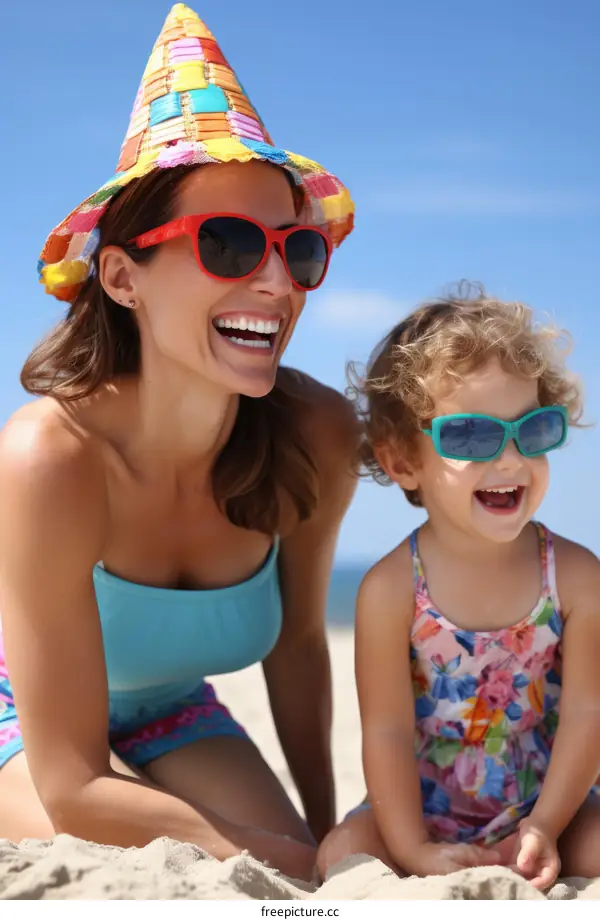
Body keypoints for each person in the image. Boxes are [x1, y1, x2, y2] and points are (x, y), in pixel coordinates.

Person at [0, 4, 357, 882]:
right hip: (21, 713)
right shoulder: (53, 456)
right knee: (220, 877)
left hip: (171, 709)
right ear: (121, 276)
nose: (277, 282)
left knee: (303, 868)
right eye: (229, 244)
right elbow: (76, 783)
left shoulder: (316, 434)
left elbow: (301, 648)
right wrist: (276, 858)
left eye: (298, 248)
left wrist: (329, 843)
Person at [317, 287, 600, 890]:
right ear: (401, 463)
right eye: (471, 437)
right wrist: (414, 848)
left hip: (550, 805)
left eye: (533, 430)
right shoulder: (390, 589)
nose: (509, 459)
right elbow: (387, 732)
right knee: (340, 856)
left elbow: (586, 713)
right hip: (424, 810)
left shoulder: (575, 577)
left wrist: (545, 827)